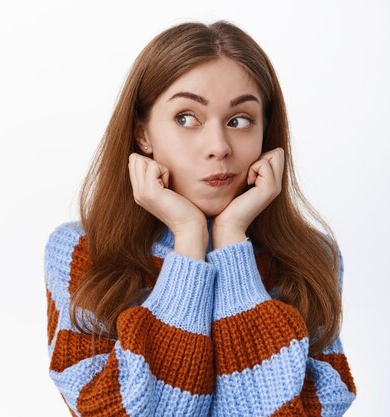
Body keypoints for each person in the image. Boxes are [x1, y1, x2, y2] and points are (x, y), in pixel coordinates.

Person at [43, 20, 356, 417]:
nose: (219, 147)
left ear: (265, 132)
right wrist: (189, 242)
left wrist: (231, 245)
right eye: (186, 118)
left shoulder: (313, 257)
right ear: (143, 134)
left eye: (239, 120)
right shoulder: (80, 252)